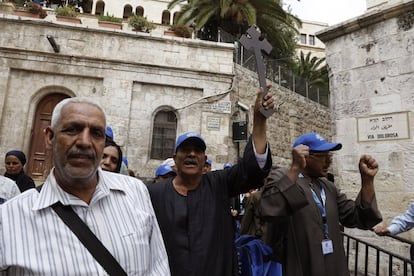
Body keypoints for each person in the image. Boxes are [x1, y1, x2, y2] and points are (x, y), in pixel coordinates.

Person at [0, 97, 170, 275]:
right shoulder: (8, 219)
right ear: (50, 137)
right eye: (72, 130)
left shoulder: (135, 192)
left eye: (96, 133)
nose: (85, 142)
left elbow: (158, 267)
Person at [148, 86, 274, 276]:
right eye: (186, 150)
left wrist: (259, 120)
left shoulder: (219, 184)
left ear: (204, 158)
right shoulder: (154, 194)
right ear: (175, 158)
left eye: (197, 150)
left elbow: (253, 169)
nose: (191, 154)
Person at [260, 132, 383, 276]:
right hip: (298, 267)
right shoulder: (281, 176)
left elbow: (359, 217)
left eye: (329, 156)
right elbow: (270, 206)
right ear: (305, 157)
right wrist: (295, 168)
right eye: (324, 156)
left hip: (333, 266)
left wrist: (367, 181)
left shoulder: (327, 187)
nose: (328, 162)